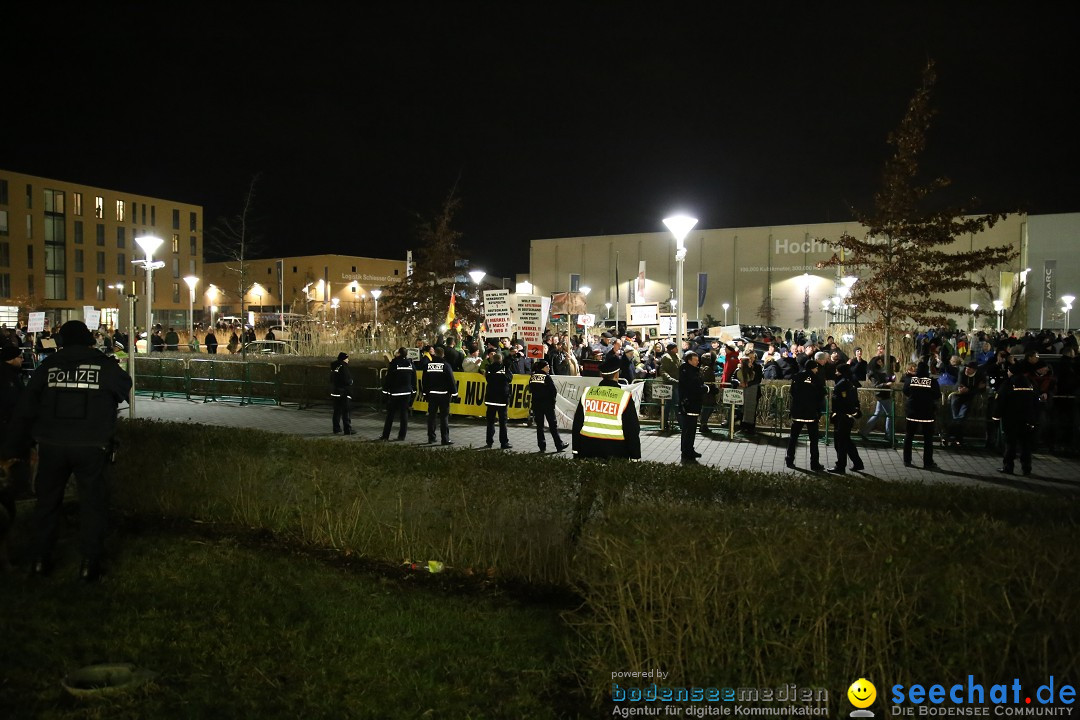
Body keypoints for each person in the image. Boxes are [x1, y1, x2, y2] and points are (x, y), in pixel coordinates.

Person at [1, 321, 132, 582]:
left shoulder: (49, 366)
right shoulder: (105, 366)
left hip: (52, 445)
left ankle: (40, 561)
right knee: (93, 506)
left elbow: (26, 409)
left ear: (61, 341)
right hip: (91, 446)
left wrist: (12, 449)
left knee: (47, 504)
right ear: (88, 340)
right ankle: (89, 566)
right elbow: (123, 388)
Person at [572, 354, 641, 461]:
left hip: (588, 449)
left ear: (602, 375)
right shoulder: (624, 397)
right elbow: (632, 429)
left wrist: (575, 450)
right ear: (617, 375)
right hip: (616, 451)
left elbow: (577, 424)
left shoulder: (587, 393)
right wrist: (635, 456)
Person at [785, 352, 828, 471]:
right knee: (813, 440)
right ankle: (814, 463)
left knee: (793, 438)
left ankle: (789, 459)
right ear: (814, 368)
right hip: (811, 413)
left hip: (798, 412)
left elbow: (792, 393)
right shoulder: (817, 379)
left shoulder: (797, 377)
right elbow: (821, 396)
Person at [995, 364, 1039, 476]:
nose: (1007, 372)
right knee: (1025, 445)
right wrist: (1033, 417)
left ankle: (1008, 467)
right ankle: (1026, 469)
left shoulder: (1008, 383)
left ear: (1012, 372)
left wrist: (996, 414)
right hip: (1027, 419)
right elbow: (1035, 401)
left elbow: (1000, 400)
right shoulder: (1030, 383)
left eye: (1009, 371)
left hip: (1011, 419)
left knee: (1010, 444)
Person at [678, 351, 715, 464]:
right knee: (689, 429)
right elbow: (695, 388)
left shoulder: (688, 370)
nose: (697, 361)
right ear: (689, 360)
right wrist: (708, 389)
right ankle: (687, 451)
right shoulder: (690, 372)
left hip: (689, 403)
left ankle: (688, 449)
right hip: (691, 404)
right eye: (695, 360)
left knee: (688, 429)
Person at [827, 364, 864, 474]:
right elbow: (854, 401)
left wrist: (835, 414)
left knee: (840, 443)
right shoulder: (851, 382)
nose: (836, 373)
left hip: (841, 416)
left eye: (837, 371)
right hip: (848, 416)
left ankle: (841, 466)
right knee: (846, 441)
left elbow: (840, 401)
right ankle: (857, 463)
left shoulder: (842, 384)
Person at [903, 361, 940, 469]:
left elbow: (905, 391)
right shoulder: (932, 382)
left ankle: (907, 460)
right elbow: (937, 395)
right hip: (927, 413)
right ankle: (928, 463)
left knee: (909, 436)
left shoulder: (910, 380)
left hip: (912, 412)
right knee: (928, 439)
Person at [529, 359, 568, 453]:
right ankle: (559, 445)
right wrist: (552, 401)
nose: (549, 368)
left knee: (539, 426)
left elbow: (530, 389)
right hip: (547, 405)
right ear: (543, 368)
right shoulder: (546, 377)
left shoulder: (533, 377)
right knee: (552, 426)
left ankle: (542, 446)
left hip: (536, 405)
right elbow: (553, 390)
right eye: (547, 367)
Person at [422, 346, 457, 445]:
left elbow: (424, 381)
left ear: (435, 354)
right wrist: (454, 393)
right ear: (443, 355)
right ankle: (445, 439)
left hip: (432, 394)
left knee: (431, 417)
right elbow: (451, 381)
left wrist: (425, 393)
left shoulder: (428, 365)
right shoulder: (445, 365)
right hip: (444, 395)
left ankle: (431, 437)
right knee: (444, 417)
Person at [946, 361, 985, 446]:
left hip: (968, 399)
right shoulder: (962, 372)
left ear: (974, 370)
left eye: (969, 369)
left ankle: (949, 436)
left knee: (960, 417)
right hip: (957, 397)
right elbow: (961, 386)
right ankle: (956, 439)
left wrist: (970, 390)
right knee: (956, 418)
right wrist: (975, 388)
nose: (966, 370)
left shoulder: (980, 375)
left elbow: (982, 388)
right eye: (966, 368)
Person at [381, 347, 416, 441]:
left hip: (395, 392)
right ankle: (402, 436)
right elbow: (414, 378)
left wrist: (385, 391)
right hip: (407, 392)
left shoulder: (394, 364)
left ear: (399, 354)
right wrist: (413, 391)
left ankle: (385, 436)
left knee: (390, 415)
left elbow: (389, 379)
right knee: (404, 415)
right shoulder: (410, 364)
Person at [484, 352, 513, 449]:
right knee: (503, 422)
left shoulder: (489, 368)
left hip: (491, 398)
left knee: (490, 421)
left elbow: (487, 379)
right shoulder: (505, 369)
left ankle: (489, 441)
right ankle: (504, 443)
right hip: (502, 399)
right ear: (501, 359)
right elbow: (510, 379)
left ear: (493, 359)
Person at [330, 352, 353, 435]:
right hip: (344, 392)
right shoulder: (343, 367)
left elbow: (331, 379)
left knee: (337, 411)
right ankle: (348, 430)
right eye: (347, 358)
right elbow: (347, 380)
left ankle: (336, 428)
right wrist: (351, 382)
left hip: (336, 391)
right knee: (346, 411)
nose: (348, 360)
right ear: (344, 359)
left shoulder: (334, 366)